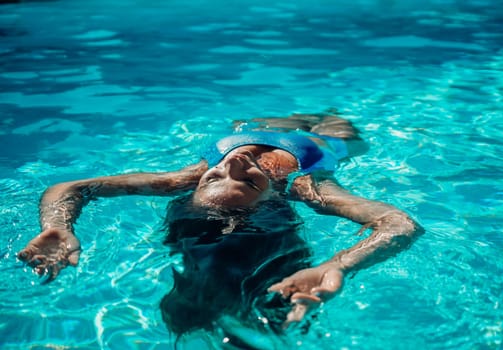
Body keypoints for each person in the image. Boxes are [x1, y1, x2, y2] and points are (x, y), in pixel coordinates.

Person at [17, 113, 423, 346]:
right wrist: (340, 264)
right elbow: (399, 223)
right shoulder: (305, 185)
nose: (235, 164)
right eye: (251, 182)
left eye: (215, 178)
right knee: (340, 124)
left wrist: (57, 227)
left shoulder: (185, 178)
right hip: (324, 137)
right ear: (271, 202)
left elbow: (73, 188)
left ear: (198, 185)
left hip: (254, 121)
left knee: (252, 121)